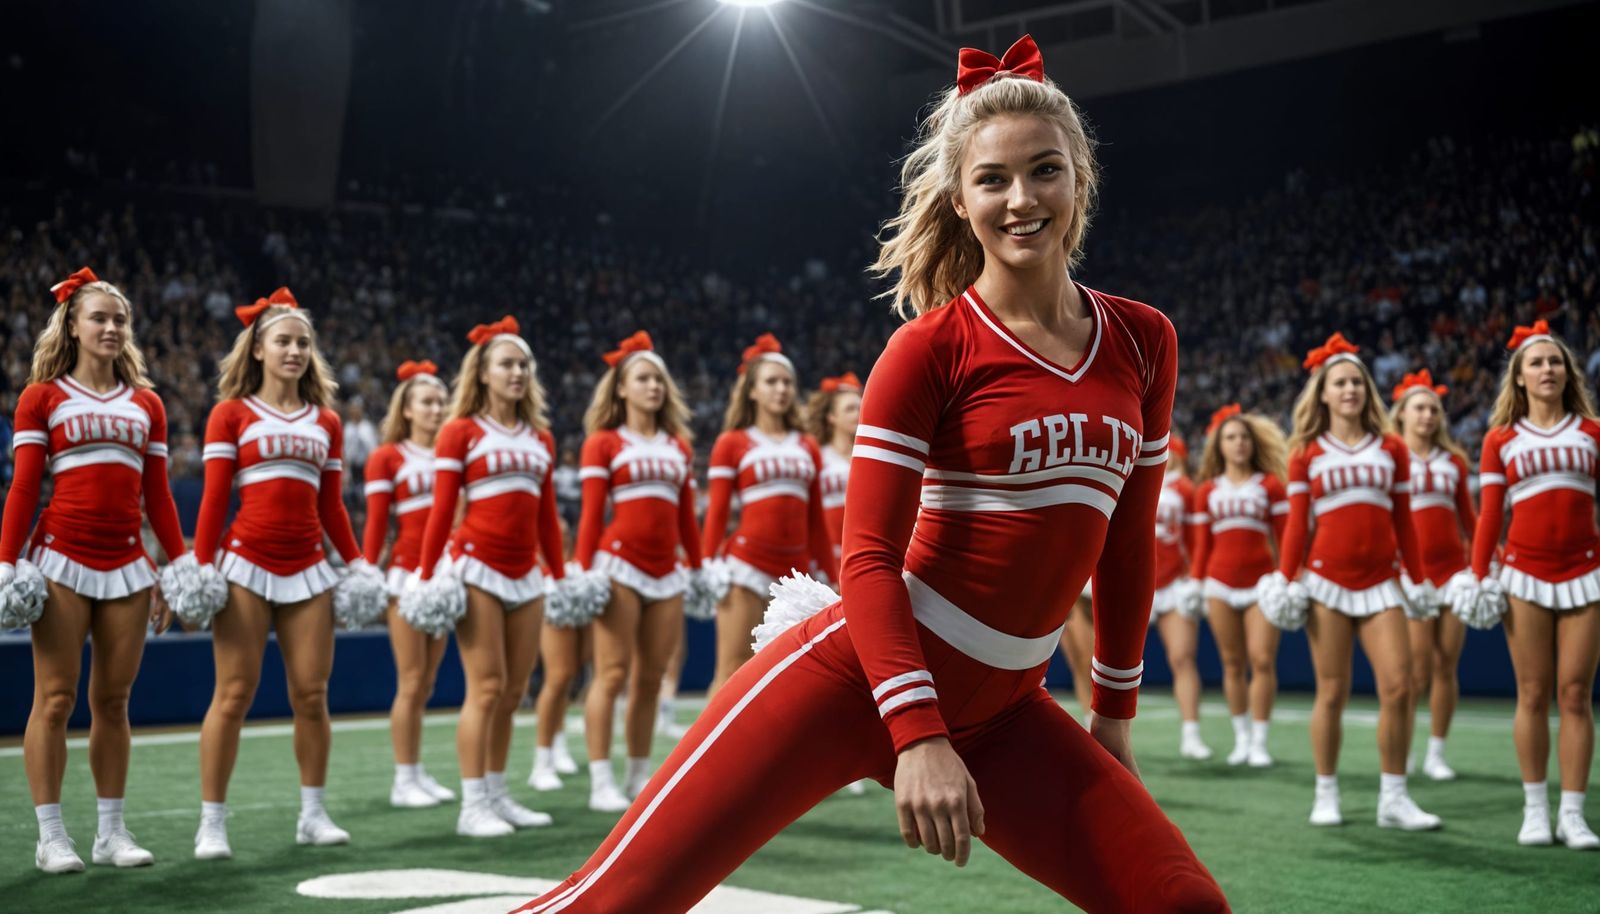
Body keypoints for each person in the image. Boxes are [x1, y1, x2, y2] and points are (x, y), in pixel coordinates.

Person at [517, 35, 1227, 913]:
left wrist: (1111, 716)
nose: (1021, 199)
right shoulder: (929, 348)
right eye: (993, 180)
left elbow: (1125, 543)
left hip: (1008, 713)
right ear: (960, 199)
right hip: (856, 679)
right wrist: (918, 735)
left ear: (1080, 176)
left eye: (1045, 170)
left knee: (1184, 904)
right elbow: (868, 558)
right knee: (611, 905)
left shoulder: (1144, 340)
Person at [1, 268, 192, 873]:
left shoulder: (147, 403)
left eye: (119, 320)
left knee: (113, 700)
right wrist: (5, 561)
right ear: (73, 326)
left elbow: (158, 495)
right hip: (61, 557)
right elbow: (25, 487)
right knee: (55, 698)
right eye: (99, 318)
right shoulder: (42, 397)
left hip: (129, 564)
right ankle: (51, 836)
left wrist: (178, 565)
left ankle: (111, 833)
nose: (111, 328)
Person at [191, 288, 384, 859]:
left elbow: (332, 506)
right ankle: (212, 822)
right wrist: (199, 565)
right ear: (258, 349)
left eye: (303, 342)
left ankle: (313, 813)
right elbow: (214, 498)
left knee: (312, 693)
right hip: (246, 563)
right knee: (233, 693)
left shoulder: (327, 420)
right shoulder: (230, 414)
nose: (295, 350)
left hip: (309, 568)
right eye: (283, 341)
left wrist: (357, 562)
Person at [1259, 332, 1440, 830]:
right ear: (1322, 393)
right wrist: (1286, 578)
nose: (1349, 390)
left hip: (1382, 583)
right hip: (1327, 583)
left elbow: (1404, 520)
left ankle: (1394, 798)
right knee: (1332, 691)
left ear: (1367, 391)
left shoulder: (1392, 447)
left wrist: (1417, 579)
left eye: (1356, 382)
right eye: (1339, 383)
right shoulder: (1306, 452)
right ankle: (1326, 792)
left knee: (1400, 685)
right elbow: (1298, 526)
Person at [409, 315, 564, 838]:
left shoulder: (541, 437)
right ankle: (472, 803)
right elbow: (441, 509)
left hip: (527, 574)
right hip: (477, 567)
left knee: (515, 690)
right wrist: (427, 573)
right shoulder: (460, 431)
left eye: (524, 365)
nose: (517, 373)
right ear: (482, 372)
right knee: (487, 686)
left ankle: (498, 794)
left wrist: (559, 574)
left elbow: (546, 517)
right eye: (506, 364)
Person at [552, 331, 710, 811]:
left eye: (658, 379)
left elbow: (686, 517)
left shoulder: (678, 446)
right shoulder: (603, 443)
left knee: (651, 677)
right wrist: (583, 569)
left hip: (668, 572)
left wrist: (697, 566)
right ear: (620, 388)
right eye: (642, 378)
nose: (653, 386)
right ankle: (601, 778)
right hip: (619, 566)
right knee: (612, 673)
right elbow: (591, 513)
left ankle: (639, 775)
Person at [1464, 320, 1599, 849]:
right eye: (1536, 363)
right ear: (1519, 377)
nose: (1547, 369)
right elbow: (1489, 515)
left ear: (1568, 373)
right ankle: (1536, 809)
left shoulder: (1592, 433)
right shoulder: (1501, 439)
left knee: (1576, 694)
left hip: (1585, 573)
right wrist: (1479, 575)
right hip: (1523, 575)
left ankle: (1574, 813)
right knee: (1533, 692)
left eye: (1555, 361)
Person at [701, 333, 837, 696]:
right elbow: (717, 512)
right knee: (732, 669)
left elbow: (816, 521)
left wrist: (830, 574)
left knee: (791, 677)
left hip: (796, 573)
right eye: (772, 382)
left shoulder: (807, 445)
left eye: (787, 382)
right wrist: (707, 562)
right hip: (745, 568)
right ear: (752, 391)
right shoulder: (732, 442)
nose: (781, 389)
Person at [363, 359, 456, 808]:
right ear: (406, 409)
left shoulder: (454, 454)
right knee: (411, 678)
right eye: (427, 402)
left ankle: (417, 772)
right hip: (406, 576)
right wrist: (368, 568)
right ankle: (403, 779)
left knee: (428, 682)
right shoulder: (387, 457)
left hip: (445, 578)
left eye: (441, 402)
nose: (436, 409)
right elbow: (377, 524)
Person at [1190, 403, 1288, 767]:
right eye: (1231, 437)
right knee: (1232, 664)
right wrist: (1196, 582)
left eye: (1244, 437)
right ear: (1219, 446)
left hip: (1262, 584)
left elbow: (1285, 536)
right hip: (1219, 584)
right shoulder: (1207, 491)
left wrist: (1288, 577)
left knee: (1262, 659)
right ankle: (1242, 738)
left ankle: (1260, 741)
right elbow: (1202, 545)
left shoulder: (1270, 485)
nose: (1239, 443)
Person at [1389, 370, 1475, 782]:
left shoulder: (1454, 461)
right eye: (1419, 408)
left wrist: (1486, 562)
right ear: (1402, 414)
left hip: (1452, 572)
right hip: (1412, 575)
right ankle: (1403, 749)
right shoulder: (1389, 458)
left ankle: (1436, 752)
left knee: (1445, 665)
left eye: (1434, 409)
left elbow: (1470, 519)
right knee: (1417, 671)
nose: (1427, 416)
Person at [1151, 436, 1209, 760]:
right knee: (1108, 661)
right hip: (1138, 582)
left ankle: (1191, 733)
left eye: (1171, 452)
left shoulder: (1186, 488)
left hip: (1175, 582)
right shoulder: (1133, 480)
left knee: (1182, 657)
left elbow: (1197, 539)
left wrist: (1195, 578)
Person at [805, 371, 863, 561]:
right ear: (831, 417)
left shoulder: (872, 456)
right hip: (827, 554)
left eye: (861, 408)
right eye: (850, 409)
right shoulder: (817, 456)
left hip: (863, 550)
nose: (858, 414)